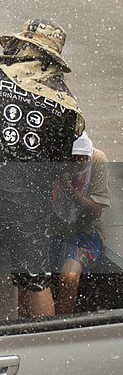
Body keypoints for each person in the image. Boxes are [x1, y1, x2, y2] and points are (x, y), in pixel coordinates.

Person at [0, 18, 84, 324]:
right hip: (32, 208)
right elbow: (59, 166)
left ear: (21, 46)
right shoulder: (65, 102)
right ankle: (43, 353)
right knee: (36, 281)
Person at [52, 133, 110, 315]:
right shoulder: (55, 162)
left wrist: (69, 189)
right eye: (73, 159)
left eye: (82, 159)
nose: (78, 164)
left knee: (69, 278)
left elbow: (95, 210)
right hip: (53, 228)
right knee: (32, 279)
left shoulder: (98, 160)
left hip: (85, 230)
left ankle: (62, 326)